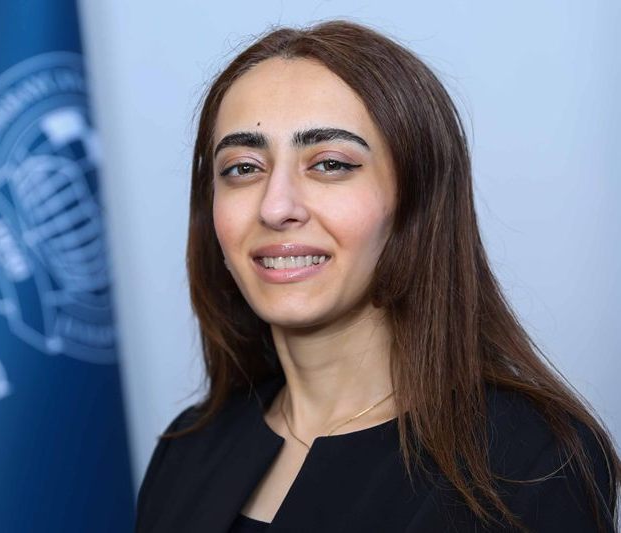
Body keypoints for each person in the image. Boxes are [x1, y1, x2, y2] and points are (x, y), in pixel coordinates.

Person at [135, 20, 620, 532]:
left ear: (416, 200)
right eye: (243, 168)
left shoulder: (532, 463)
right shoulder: (188, 448)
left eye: (330, 164)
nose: (275, 207)